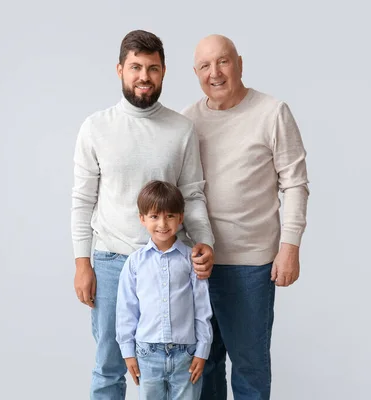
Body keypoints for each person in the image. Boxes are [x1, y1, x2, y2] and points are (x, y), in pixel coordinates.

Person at [71, 30, 215, 400]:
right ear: (120, 69)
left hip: (170, 262)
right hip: (111, 260)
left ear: (164, 72)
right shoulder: (96, 127)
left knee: (176, 368)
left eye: (152, 68)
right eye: (135, 67)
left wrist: (204, 243)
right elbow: (82, 200)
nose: (144, 77)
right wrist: (82, 263)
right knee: (109, 365)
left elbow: (193, 194)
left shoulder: (182, 130)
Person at [181, 34, 310, 400]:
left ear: (239, 62)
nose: (215, 72)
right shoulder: (187, 120)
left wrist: (289, 248)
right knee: (201, 365)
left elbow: (296, 184)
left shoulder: (272, 112)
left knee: (250, 365)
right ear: (195, 73)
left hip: (251, 265)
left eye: (222, 61)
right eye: (205, 66)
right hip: (197, 264)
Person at [116, 180, 213, 400]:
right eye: (154, 216)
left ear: (180, 218)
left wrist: (202, 350)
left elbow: (202, 308)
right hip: (147, 353)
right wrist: (128, 352)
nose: (162, 223)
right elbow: (126, 310)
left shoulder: (191, 259)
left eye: (170, 215)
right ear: (142, 219)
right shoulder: (135, 262)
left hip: (186, 355)